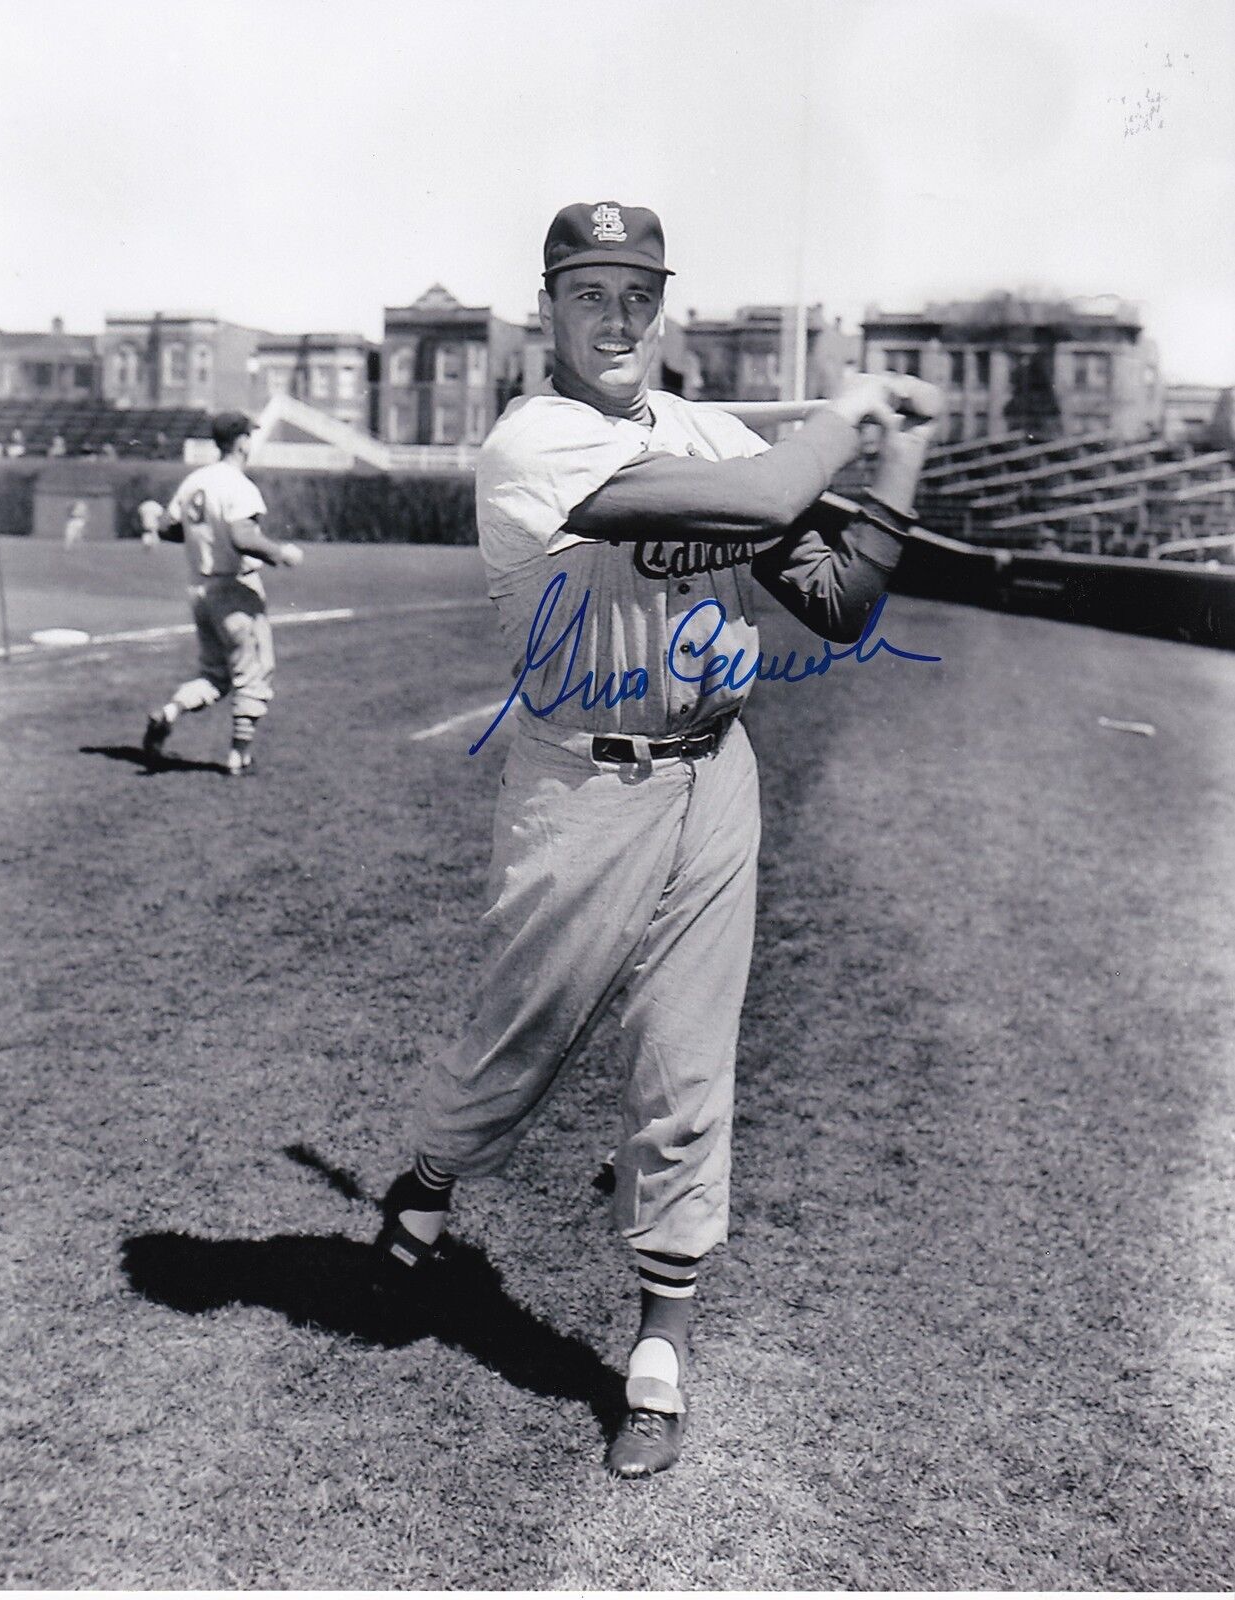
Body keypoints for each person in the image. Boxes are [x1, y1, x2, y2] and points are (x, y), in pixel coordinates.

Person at [375, 201, 942, 1479]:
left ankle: (656, 1356)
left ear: (662, 303)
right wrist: (846, 411)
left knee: (686, 1068)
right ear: (547, 312)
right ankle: (425, 1178)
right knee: (510, 1046)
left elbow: (841, 602)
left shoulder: (704, 426)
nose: (617, 315)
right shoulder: (534, 443)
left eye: (639, 290)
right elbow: (757, 496)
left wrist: (893, 462)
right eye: (589, 291)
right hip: (579, 782)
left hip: (713, 772)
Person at [141, 410, 303, 777]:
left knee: (215, 675)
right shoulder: (238, 485)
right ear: (242, 441)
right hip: (234, 590)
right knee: (254, 672)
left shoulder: (196, 481)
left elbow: (170, 529)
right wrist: (280, 553)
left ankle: (169, 713)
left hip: (200, 590)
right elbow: (242, 536)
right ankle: (237, 757)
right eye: (250, 436)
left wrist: (153, 521)